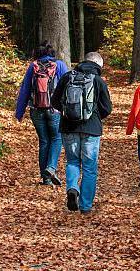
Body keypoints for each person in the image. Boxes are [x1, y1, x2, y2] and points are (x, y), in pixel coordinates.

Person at [52, 51, 112, 214]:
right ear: (98, 65)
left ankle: (72, 188)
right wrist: (94, 115)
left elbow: (55, 101)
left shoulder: (67, 77)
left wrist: (68, 112)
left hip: (68, 127)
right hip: (91, 129)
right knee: (89, 168)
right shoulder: (98, 81)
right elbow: (107, 108)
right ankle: (85, 206)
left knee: (72, 162)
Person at [13, 41, 71, 185]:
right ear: (52, 53)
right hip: (54, 110)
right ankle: (51, 168)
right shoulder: (59, 65)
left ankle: (46, 178)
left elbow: (25, 89)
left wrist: (19, 112)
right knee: (56, 138)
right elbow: (68, 87)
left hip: (36, 110)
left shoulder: (33, 67)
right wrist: (69, 110)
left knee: (44, 141)